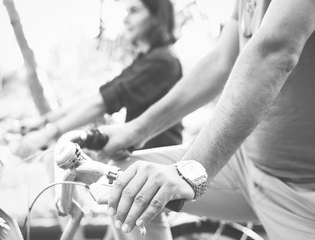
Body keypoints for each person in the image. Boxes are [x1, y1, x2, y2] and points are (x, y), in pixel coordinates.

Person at [98, 0, 315, 239]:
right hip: (247, 163)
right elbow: (221, 61)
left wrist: (190, 171)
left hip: (302, 190)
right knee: (120, 179)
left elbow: (275, 50)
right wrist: (137, 130)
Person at [15, 0, 183, 158]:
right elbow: (98, 97)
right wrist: (42, 122)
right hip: (139, 159)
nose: (126, 18)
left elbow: (102, 104)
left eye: (134, 11)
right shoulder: (144, 60)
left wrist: (48, 134)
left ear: (156, 17)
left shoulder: (162, 62)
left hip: (157, 161)